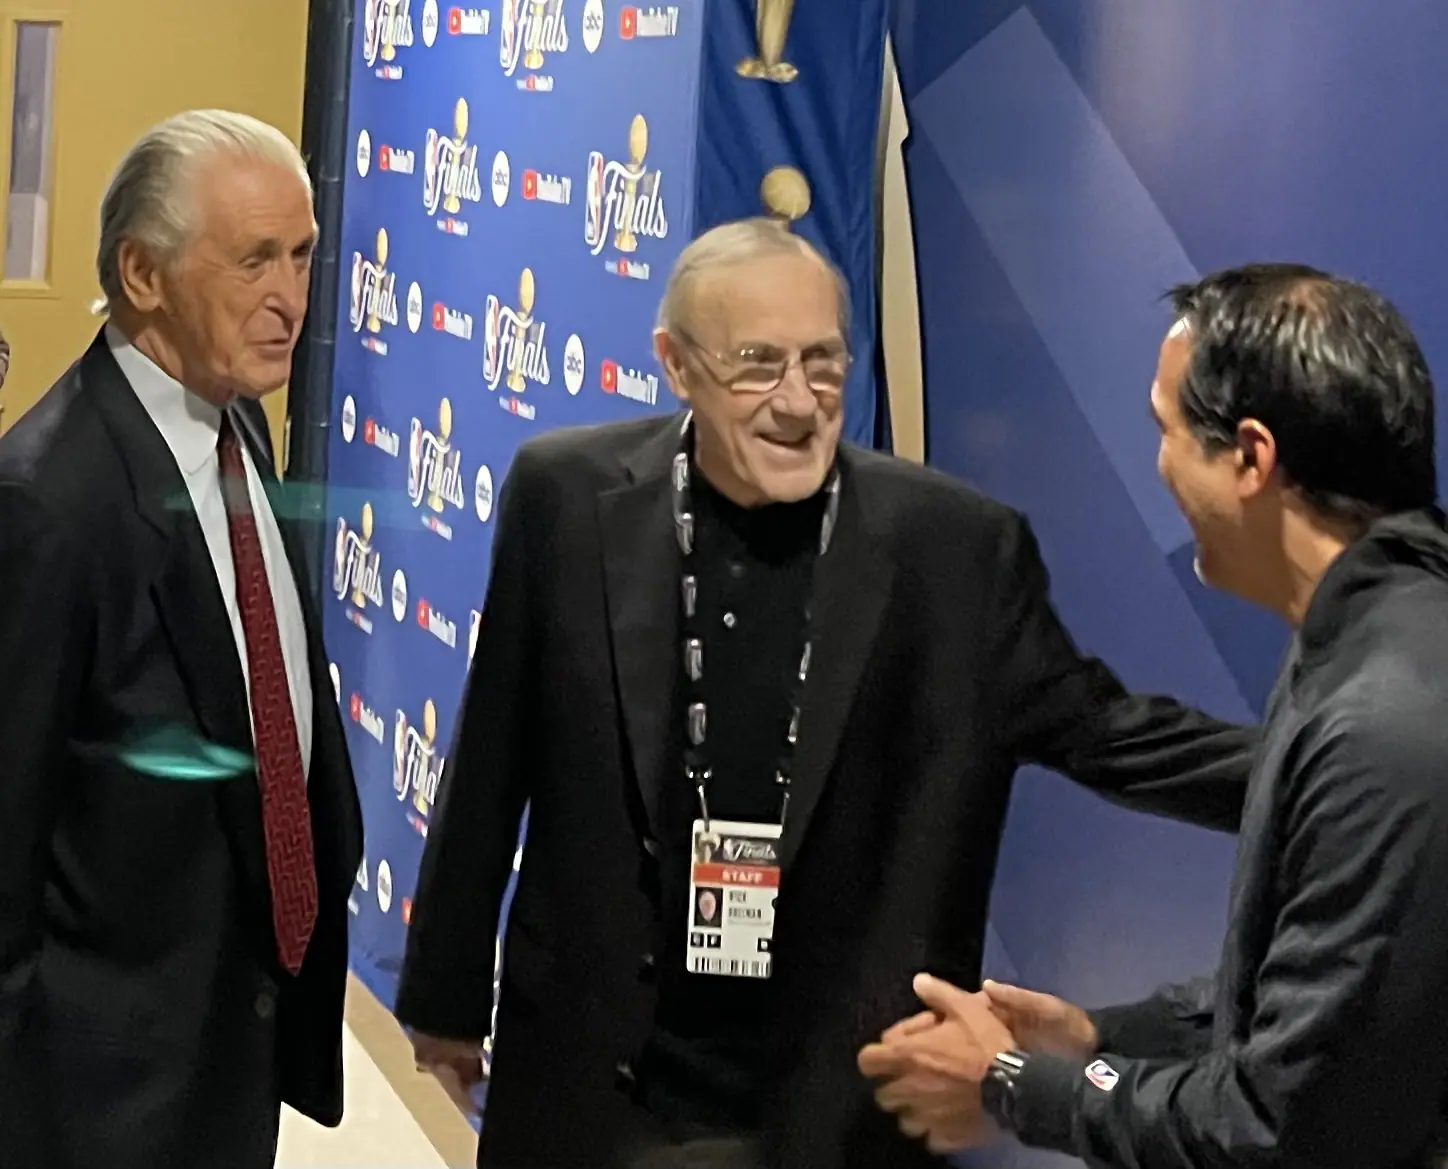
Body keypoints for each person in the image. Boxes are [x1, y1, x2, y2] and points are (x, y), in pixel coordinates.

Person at [394, 217, 1255, 1169]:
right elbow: (490, 757)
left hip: (830, 1100)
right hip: (597, 1071)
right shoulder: (564, 495)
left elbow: (1113, 735)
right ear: (675, 364)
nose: (799, 401)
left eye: (825, 361)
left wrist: (1336, 771)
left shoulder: (955, 550)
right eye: (758, 364)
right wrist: (446, 997)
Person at [860, 263, 1448, 1169]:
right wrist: (1101, 1035)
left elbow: (1279, 1130)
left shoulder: (1386, 722)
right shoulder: (1366, 637)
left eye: (1165, 430)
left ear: (1251, 458)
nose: (1158, 463)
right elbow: (1332, 1003)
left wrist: (1020, 1083)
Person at [0, 109, 362, 1169]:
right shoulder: (46, 503)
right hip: (99, 1104)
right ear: (141, 272)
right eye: (253, 259)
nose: (290, 298)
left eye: (300, 255)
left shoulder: (236, 419)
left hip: (225, 1049)